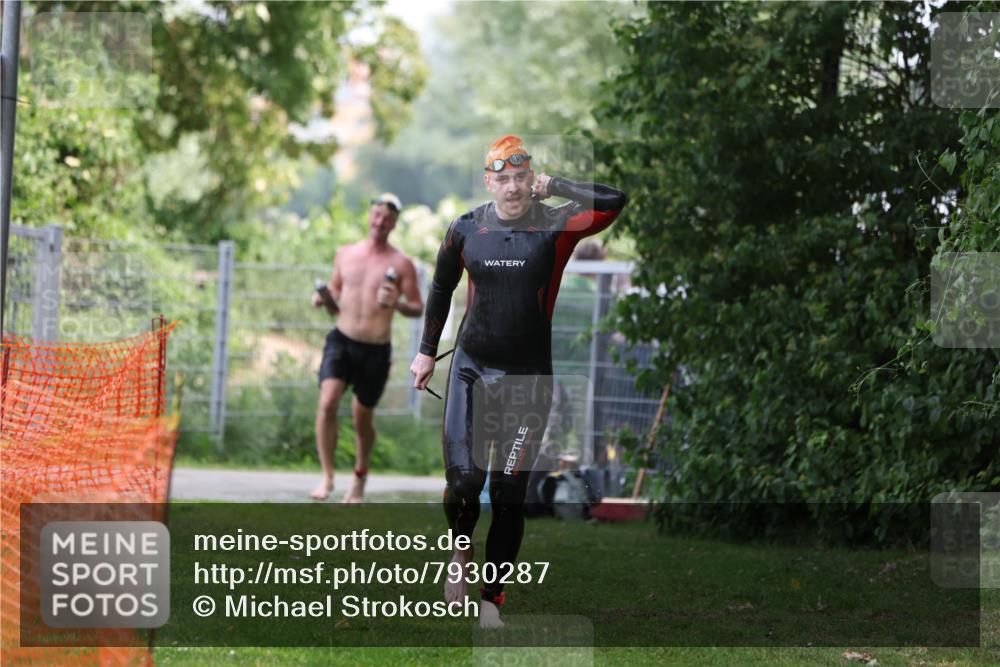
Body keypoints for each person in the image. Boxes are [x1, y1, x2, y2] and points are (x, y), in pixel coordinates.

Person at [409, 136, 627, 627]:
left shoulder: (556, 225)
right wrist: (426, 352)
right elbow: (442, 285)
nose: (512, 188)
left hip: (529, 380)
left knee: (510, 494)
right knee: (465, 481)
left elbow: (615, 201)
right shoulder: (466, 229)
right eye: (502, 179)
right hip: (471, 369)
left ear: (532, 180)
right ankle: (459, 551)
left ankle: (492, 601)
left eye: (521, 178)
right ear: (489, 181)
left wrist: (560, 185)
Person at [310, 193, 424, 503]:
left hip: (375, 348)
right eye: (376, 215)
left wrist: (398, 304)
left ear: (394, 223)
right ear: (369, 216)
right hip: (341, 339)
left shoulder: (401, 263)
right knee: (328, 402)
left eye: (387, 218)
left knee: (362, 418)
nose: (380, 222)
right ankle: (327, 476)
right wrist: (323, 298)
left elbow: (417, 306)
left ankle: (359, 478)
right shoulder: (345, 254)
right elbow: (334, 296)